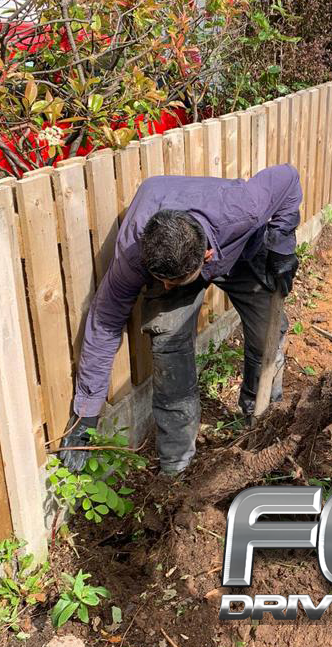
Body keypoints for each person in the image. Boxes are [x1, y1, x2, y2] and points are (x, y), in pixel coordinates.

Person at [59, 164, 302, 476]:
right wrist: (86, 415)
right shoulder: (134, 254)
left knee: (268, 330)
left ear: (207, 257)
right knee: (169, 352)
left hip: (239, 249)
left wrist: (282, 246)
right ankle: (176, 468)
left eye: (173, 281)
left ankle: (261, 424)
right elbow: (104, 319)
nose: (165, 287)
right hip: (177, 245)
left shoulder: (244, 207)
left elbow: (287, 178)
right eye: (161, 279)